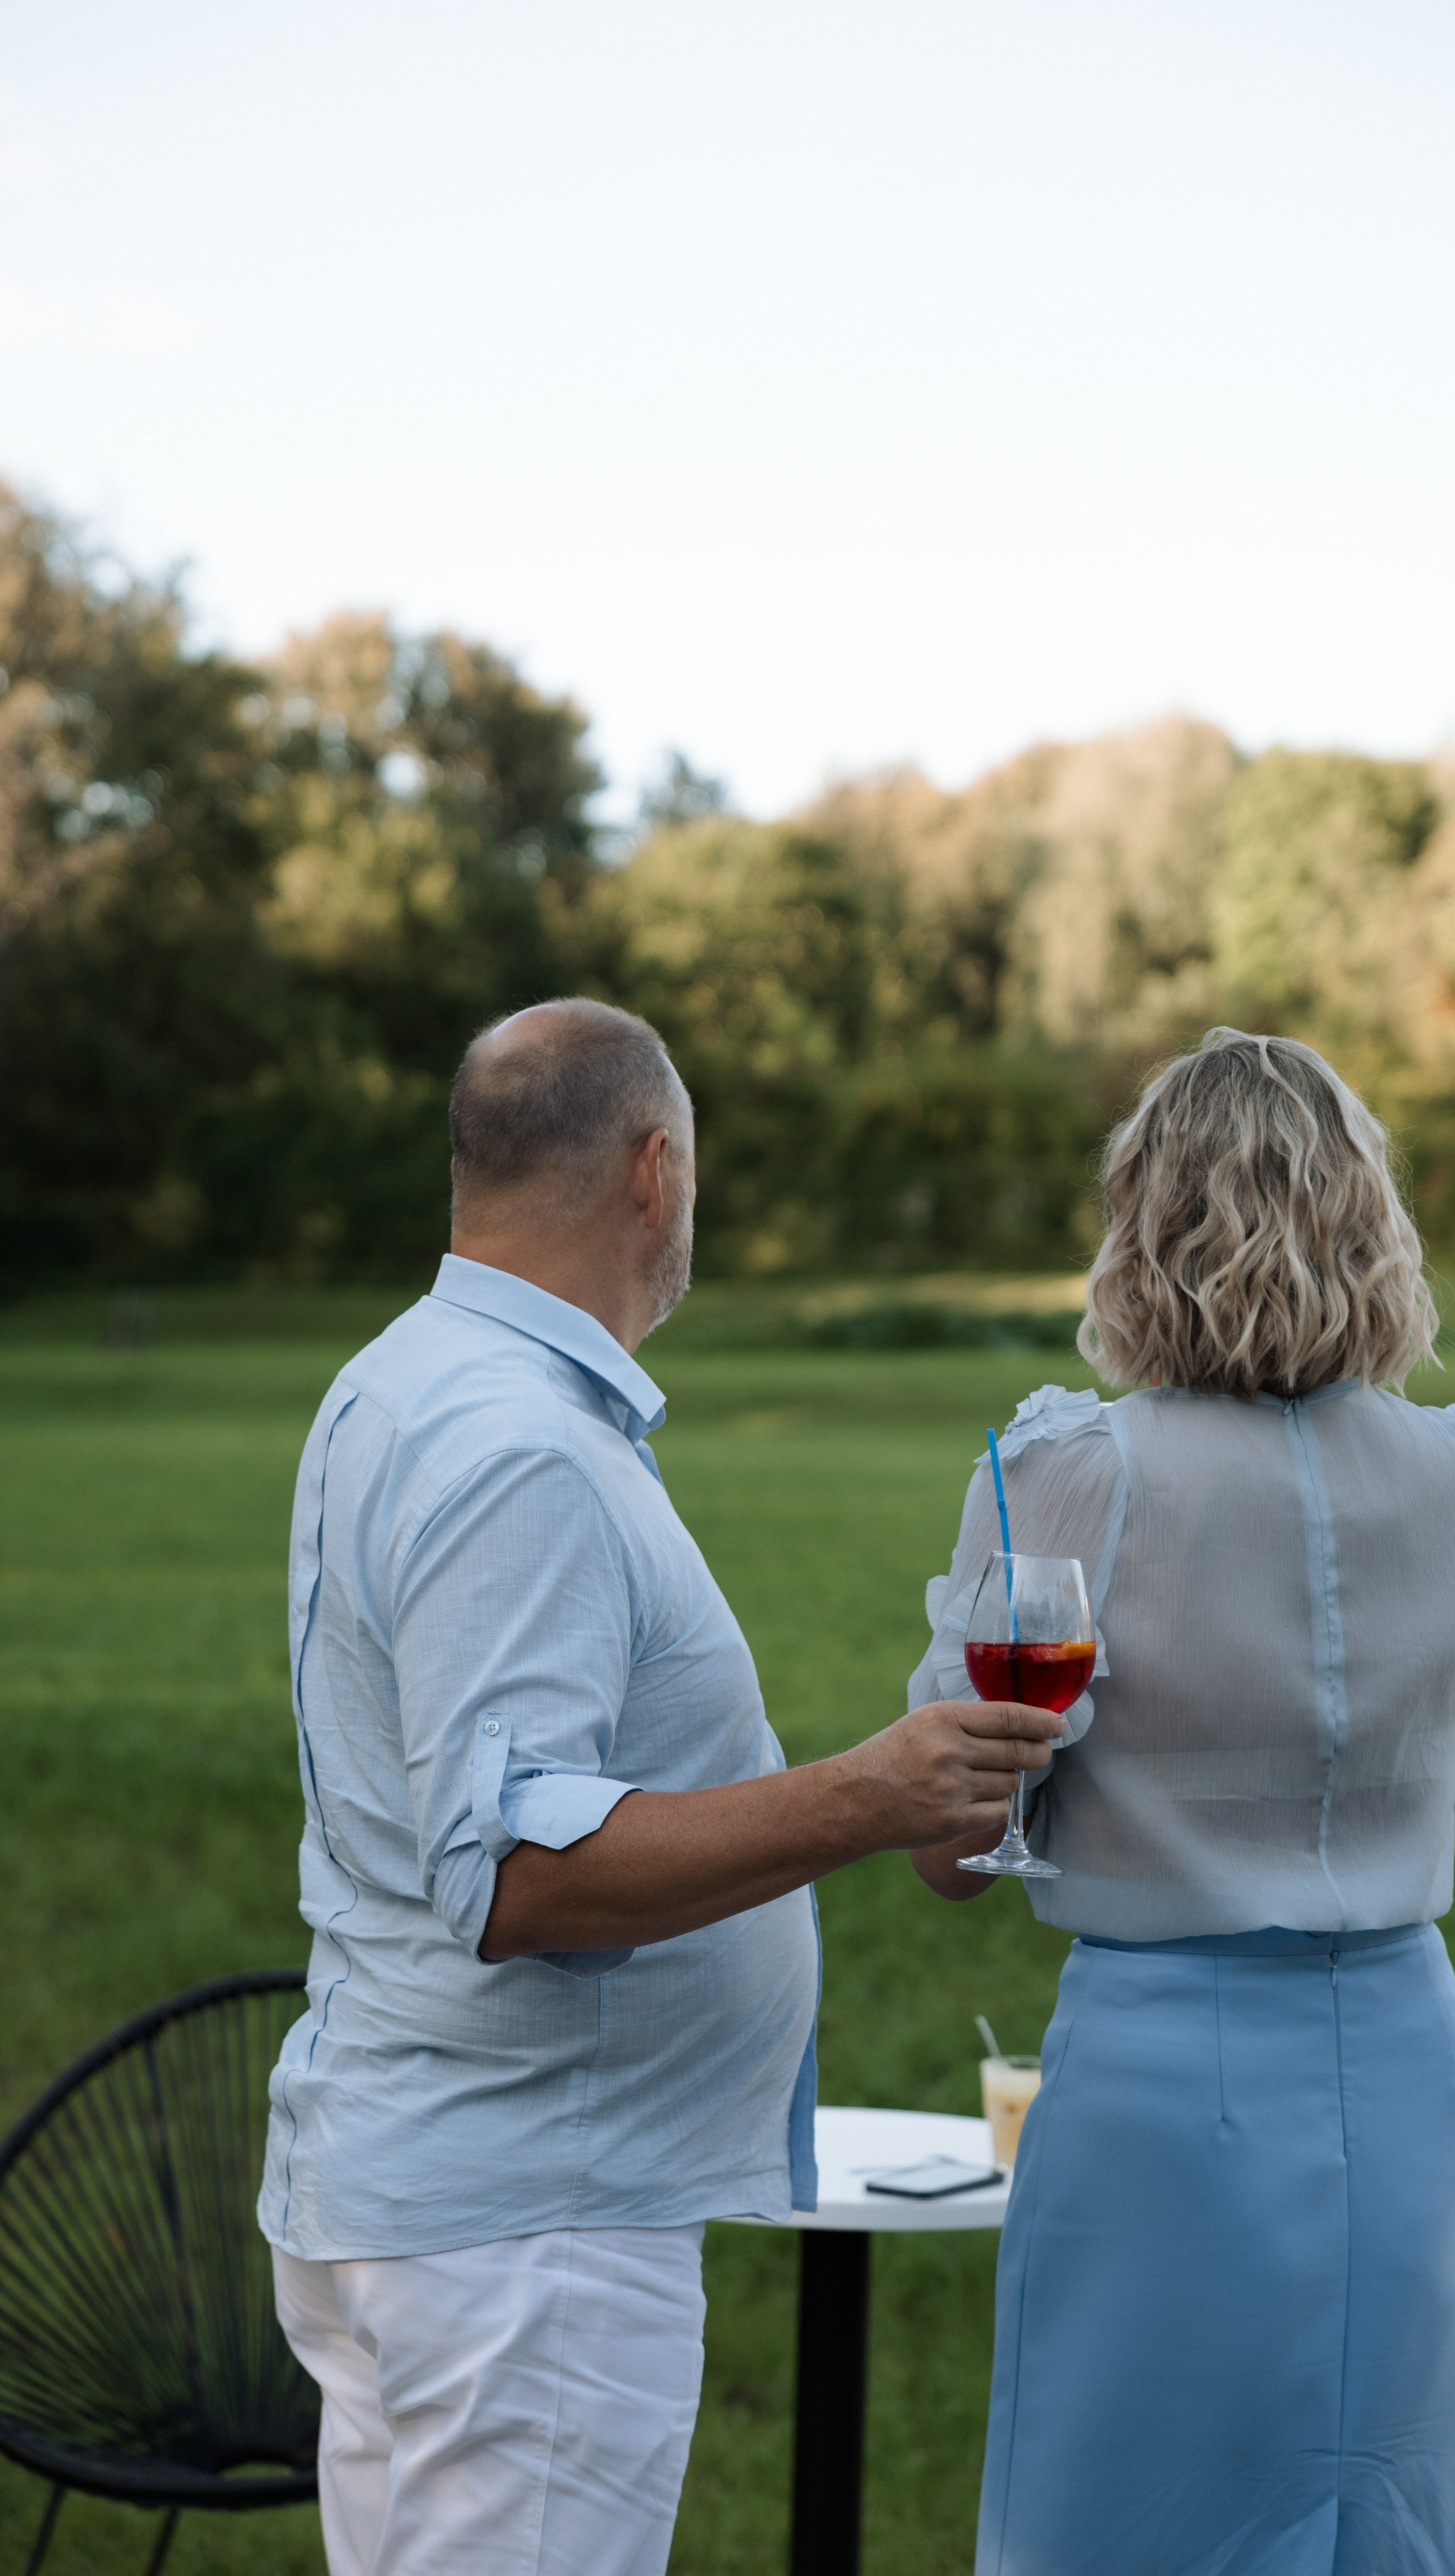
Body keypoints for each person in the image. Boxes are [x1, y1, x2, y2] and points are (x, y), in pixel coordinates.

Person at [261, 998, 1055, 2576]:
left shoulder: (406, 1381)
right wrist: (869, 1792)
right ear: (654, 1169)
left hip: (445, 2199)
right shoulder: (518, 1450)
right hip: (520, 2236)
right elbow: (516, 1873)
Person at [909, 1028, 1455, 2576]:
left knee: (1124, 2529)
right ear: (1365, 1219)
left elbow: (945, 1847)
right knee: (1380, 2517)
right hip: (1405, 2056)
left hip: (1161, 2079)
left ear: (1142, 1224)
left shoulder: (1073, 1474)